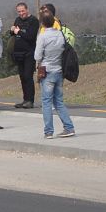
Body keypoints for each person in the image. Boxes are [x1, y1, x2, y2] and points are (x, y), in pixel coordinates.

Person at [34, 9, 75, 138]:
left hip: (47, 71)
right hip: (59, 70)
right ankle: (69, 127)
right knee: (59, 101)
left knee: (46, 102)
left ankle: (48, 131)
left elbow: (37, 56)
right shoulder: (60, 34)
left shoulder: (43, 36)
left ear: (42, 23)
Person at [10, 1, 39, 108]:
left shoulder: (33, 21)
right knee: (22, 77)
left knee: (28, 76)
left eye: (23, 11)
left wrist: (19, 32)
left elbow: (31, 36)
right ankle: (25, 99)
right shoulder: (17, 20)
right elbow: (13, 33)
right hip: (19, 54)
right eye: (19, 11)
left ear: (27, 10)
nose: (21, 13)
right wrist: (13, 30)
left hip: (29, 53)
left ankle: (30, 100)